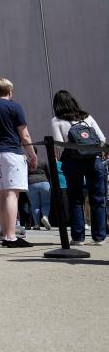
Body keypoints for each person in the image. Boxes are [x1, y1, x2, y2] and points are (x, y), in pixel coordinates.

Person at [0, 78, 38, 247]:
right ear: (10, 91)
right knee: (13, 194)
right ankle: (11, 236)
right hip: (11, 153)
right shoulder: (15, 107)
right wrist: (32, 155)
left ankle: (4, 234)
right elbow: (24, 135)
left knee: (1, 195)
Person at [50, 90, 105, 246]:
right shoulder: (86, 117)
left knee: (75, 199)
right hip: (94, 160)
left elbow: (59, 143)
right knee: (98, 199)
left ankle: (78, 237)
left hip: (73, 162)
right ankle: (99, 237)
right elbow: (102, 139)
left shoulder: (57, 120)